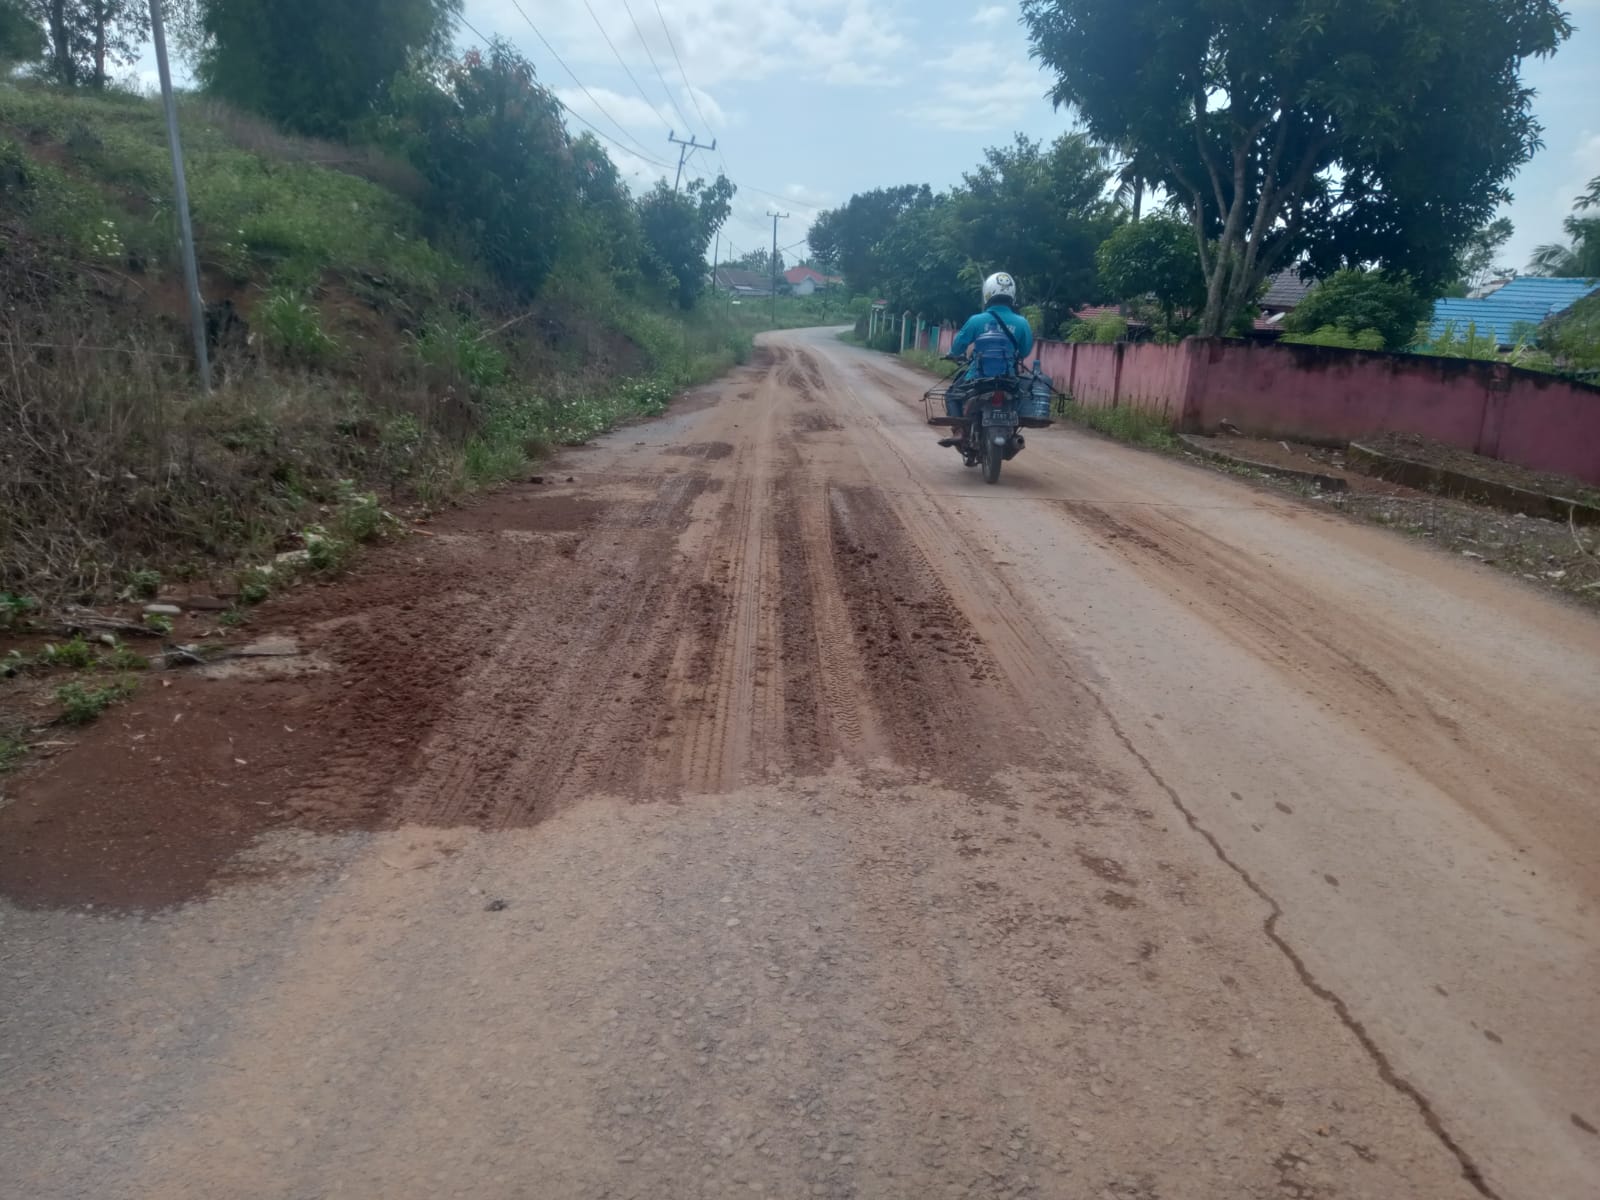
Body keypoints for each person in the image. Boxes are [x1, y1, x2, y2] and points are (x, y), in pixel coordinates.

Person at [939, 272, 1034, 448]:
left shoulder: (976, 320)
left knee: (952, 394)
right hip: (1008, 378)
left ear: (988, 293)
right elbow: (1025, 350)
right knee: (1022, 395)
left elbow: (958, 347)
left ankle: (959, 431)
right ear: (1012, 294)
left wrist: (953, 354)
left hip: (977, 377)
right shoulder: (1022, 323)